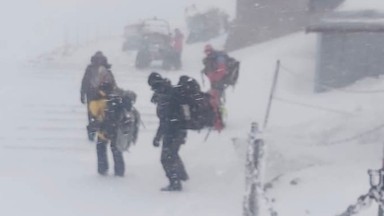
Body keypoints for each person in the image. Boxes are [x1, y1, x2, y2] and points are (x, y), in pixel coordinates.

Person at [148, 72, 189, 191]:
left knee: (166, 158)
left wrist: (157, 137)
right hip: (180, 129)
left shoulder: (164, 96)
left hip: (172, 131)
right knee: (173, 153)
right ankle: (182, 175)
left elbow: (164, 120)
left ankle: (175, 182)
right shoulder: (170, 90)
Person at [88, 80, 136, 177]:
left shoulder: (96, 101)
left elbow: (94, 115)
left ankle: (103, 169)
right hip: (116, 130)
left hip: (103, 130)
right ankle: (119, 170)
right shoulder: (117, 98)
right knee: (116, 150)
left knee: (101, 148)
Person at [80, 51, 116, 141]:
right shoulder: (105, 69)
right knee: (101, 115)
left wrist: (82, 94)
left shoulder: (91, 69)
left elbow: (84, 82)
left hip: (93, 95)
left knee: (93, 115)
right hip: (100, 96)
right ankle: (97, 132)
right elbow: (113, 83)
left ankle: (94, 132)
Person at [201, 44, 228, 130]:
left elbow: (222, 70)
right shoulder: (210, 59)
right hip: (214, 84)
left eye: (208, 51)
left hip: (219, 84)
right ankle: (216, 120)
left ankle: (219, 122)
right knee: (214, 101)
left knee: (215, 102)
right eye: (206, 51)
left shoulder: (219, 58)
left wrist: (213, 77)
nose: (207, 53)